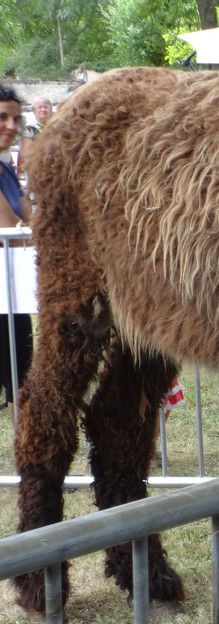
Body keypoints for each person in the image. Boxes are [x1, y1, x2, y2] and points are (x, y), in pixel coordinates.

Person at [0, 85, 34, 422]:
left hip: (10, 299)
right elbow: (11, 228)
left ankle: (26, 459)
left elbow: (30, 220)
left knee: (21, 385)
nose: (11, 126)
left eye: (15, 119)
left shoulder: (7, 169)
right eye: (2, 117)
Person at [17, 96, 52, 178]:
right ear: (34, 111)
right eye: (39, 107)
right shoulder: (29, 129)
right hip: (36, 171)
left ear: (50, 110)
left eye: (46, 107)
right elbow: (26, 153)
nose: (43, 110)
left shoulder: (55, 127)